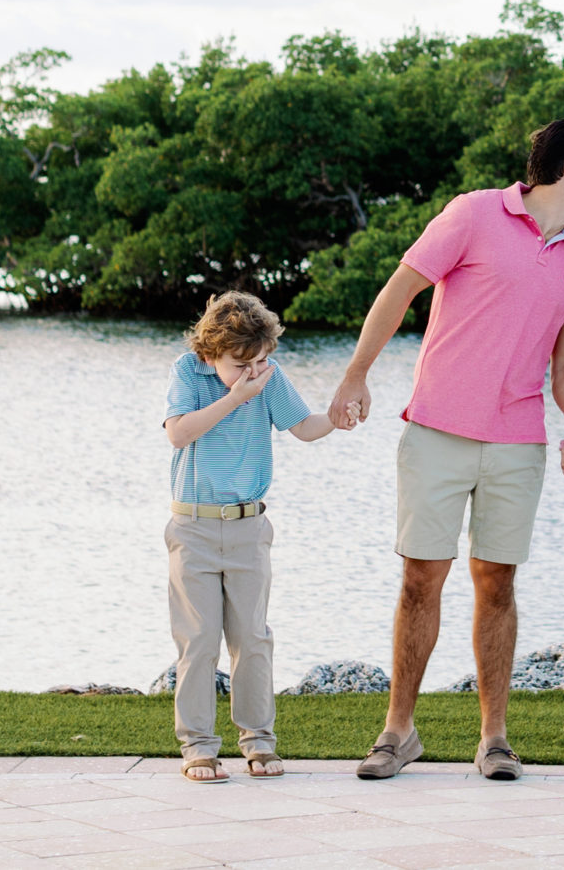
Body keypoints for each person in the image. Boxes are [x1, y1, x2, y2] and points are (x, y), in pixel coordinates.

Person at [327, 116, 564, 781]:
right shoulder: (474, 213)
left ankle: (494, 738)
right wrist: (355, 373)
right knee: (421, 579)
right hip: (436, 431)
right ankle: (399, 730)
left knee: (499, 583)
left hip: (517, 444)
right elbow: (401, 288)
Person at [161, 289, 346, 782]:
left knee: (252, 639)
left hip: (249, 528)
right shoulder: (189, 372)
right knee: (198, 641)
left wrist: (338, 417)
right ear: (210, 353)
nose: (254, 372)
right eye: (241, 364)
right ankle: (199, 746)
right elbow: (178, 433)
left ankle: (259, 742)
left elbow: (304, 427)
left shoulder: (268, 375)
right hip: (193, 527)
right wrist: (235, 397)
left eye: (262, 361)